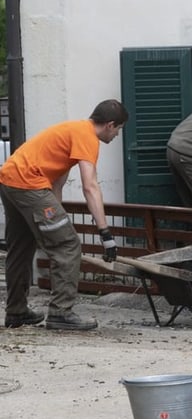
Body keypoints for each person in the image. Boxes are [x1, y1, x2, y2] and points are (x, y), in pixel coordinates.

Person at [0, 99, 127, 330]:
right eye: (119, 129)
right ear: (110, 124)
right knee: (68, 245)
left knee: (21, 247)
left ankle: (16, 312)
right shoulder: (88, 138)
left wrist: (55, 220)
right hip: (29, 185)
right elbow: (90, 186)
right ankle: (61, 313)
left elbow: (57, 181)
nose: (117, 135)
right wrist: (105, 233)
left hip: (10, 180)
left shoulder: (73, 130)